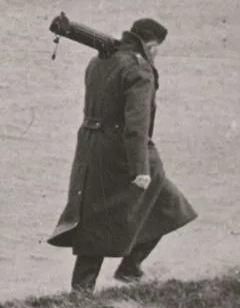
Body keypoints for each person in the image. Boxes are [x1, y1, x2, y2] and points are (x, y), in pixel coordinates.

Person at [47, 17, 197, 292]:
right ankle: (128, 269)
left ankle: (86, 289)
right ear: (150, 46)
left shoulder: (99, 62)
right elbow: (136, 125)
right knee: (171, 206)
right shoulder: (139, 70)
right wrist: (140, 169)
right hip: (123, 152)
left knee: (94, 217)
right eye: (157, 50)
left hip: (91, 148)